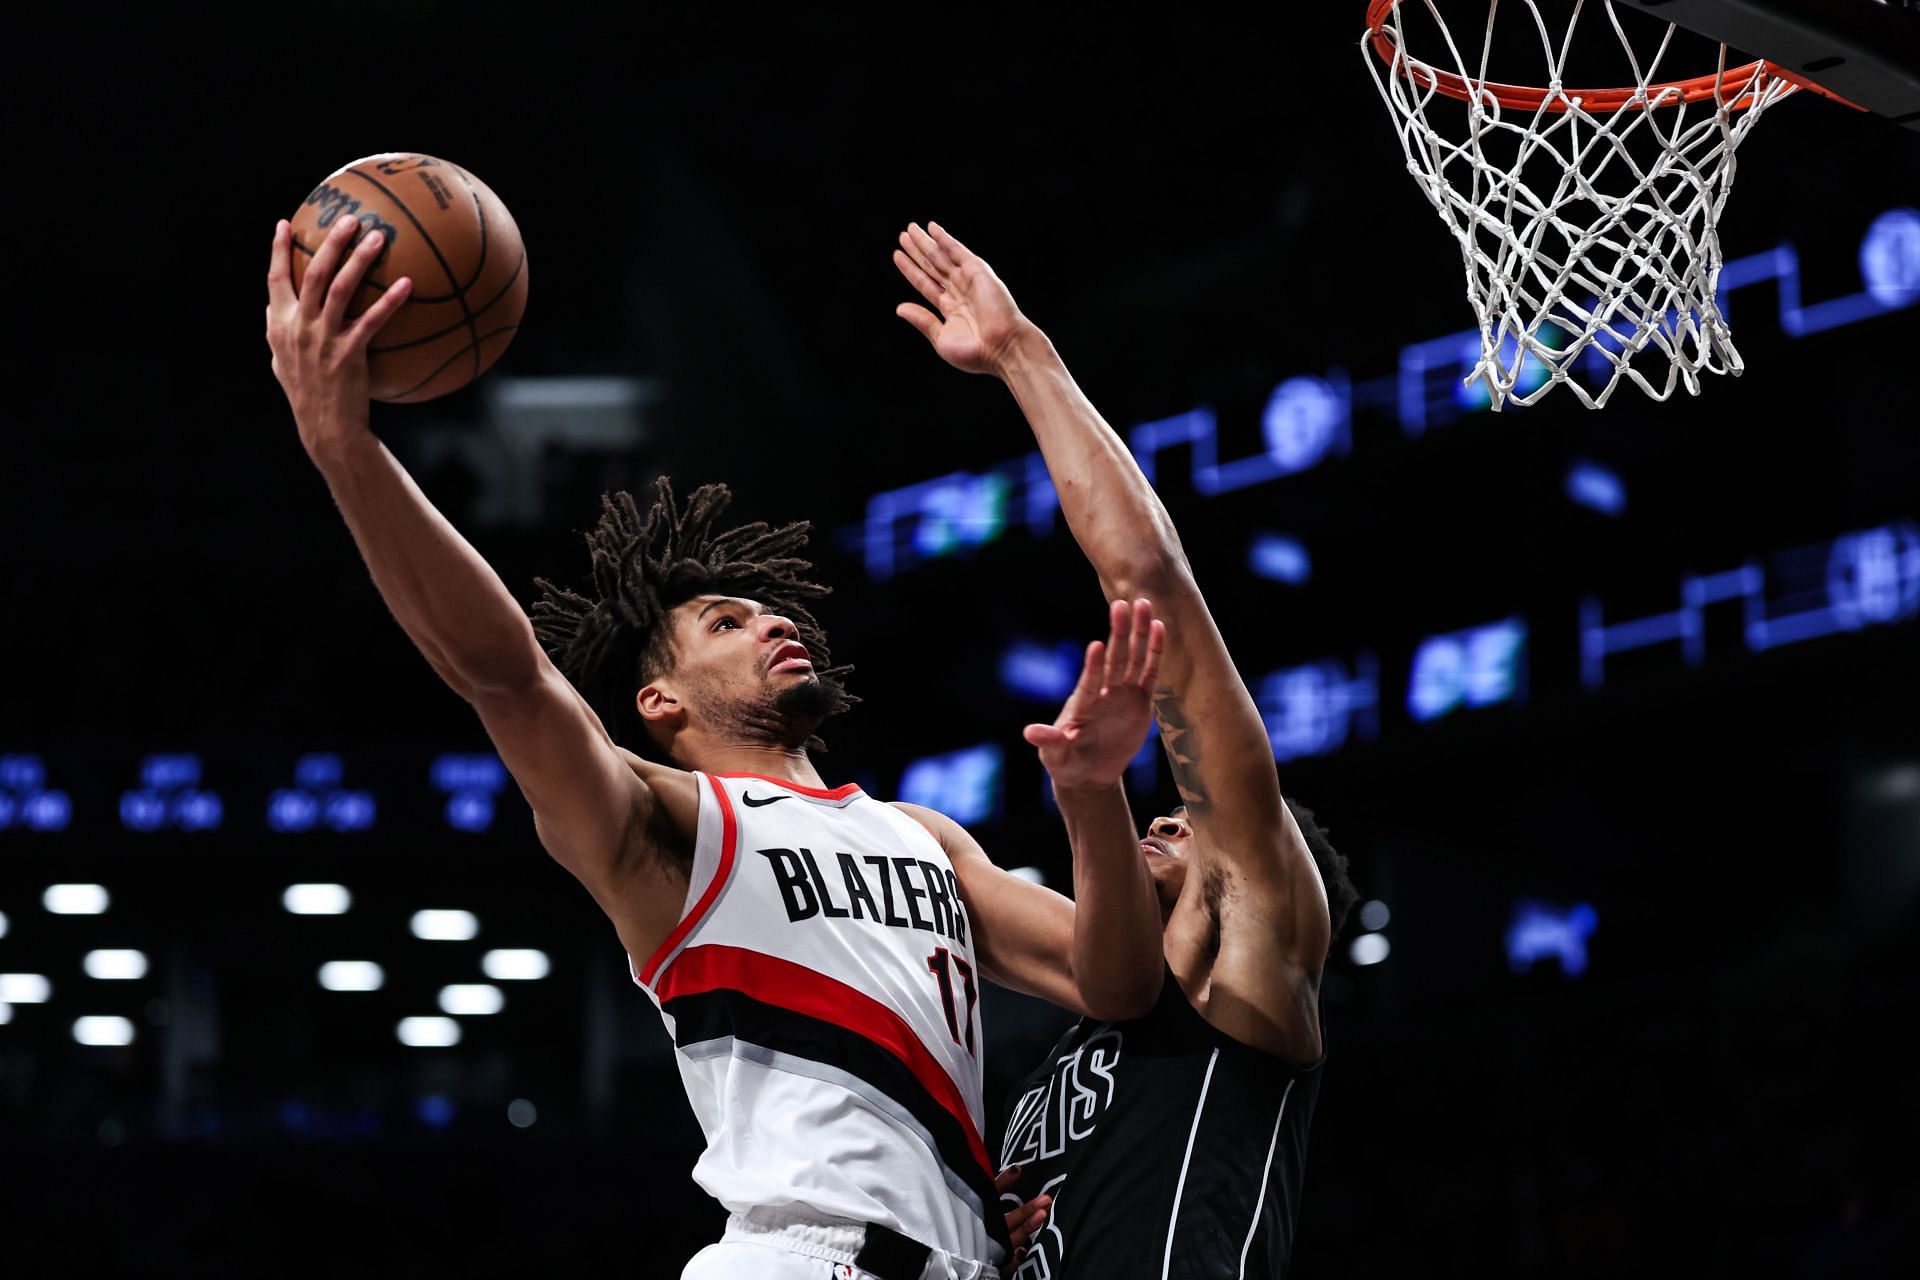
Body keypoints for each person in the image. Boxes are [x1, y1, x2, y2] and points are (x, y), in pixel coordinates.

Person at [263, 212, 1169, 1280]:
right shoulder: (667, 824)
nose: (774, 622)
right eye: (725, 624)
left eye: (768, 611)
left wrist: (1094, 790)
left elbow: (1114, 981)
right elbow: (505, 672)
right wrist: (345, 447)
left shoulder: (924, 835)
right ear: (659, 702)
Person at [893, 222, 1360, 1277]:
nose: (1164, 816)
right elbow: (933, 861)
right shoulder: (1099, 990)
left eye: (1187, 821)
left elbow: (1152, 579)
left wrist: (1022, 355)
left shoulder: (1249, 957)